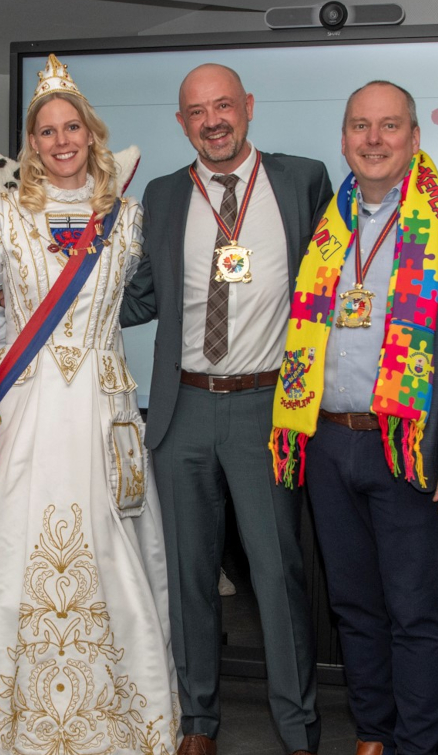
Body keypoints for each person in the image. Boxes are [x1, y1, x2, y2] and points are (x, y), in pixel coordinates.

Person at [0, 56, 177, 754]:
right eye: (46, 130)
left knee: (109, 552)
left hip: (103, 412)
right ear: (31, 143)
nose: (61, 140)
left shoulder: (128, 220)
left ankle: (117, 720)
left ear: (90, 134)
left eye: (72, 127)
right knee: (8, 558)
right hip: (27, 414)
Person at [266, 80, 438, 755]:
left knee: (415, 612)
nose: (373, 140)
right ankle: (373, 733)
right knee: (354, 608)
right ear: (343, 139)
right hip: (329, 445)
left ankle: (417, 744)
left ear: (414, 138)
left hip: (411, 450)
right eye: (360, 127)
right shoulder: (324, 225)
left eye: (388, 126)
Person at [120, 63, 334, 755]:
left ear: (247, 108)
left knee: (277, 575)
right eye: (196, 112)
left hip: (267, 407)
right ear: (182, 123)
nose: (212, 121)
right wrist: (62, 283)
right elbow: (140, 298)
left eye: (223, 106)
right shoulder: (161, 195)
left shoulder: (303, 181)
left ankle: (298, 726)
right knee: (188, 577)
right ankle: (198, 721)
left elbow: (332, 283)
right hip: (181, 407)